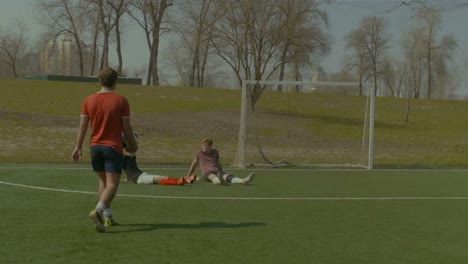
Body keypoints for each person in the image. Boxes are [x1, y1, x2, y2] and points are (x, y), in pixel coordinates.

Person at [71, 68, 138, 233]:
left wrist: (78, 147)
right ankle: (98, 211)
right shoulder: (121, 101)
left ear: (99, 81)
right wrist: (132, 145)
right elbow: (126, 127)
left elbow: (83, 126)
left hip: (95, 147)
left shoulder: (88, 100)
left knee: (103, 182)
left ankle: (108, 216)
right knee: (113, 184)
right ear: (115, 82)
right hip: (112, 147)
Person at [186, 138, 255, 185]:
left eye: (205, 145)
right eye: (202, 145)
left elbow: (218, 162)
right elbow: (194, 164)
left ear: (210, 146)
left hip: (217, 171)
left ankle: (243, 180)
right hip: (207, 173)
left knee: (227, 176)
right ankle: (220, 181)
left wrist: (221, 171)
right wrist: (188, 176)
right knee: (213, 177)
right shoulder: (199, 153)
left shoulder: (215, 151)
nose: (203, 147)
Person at [123, 149, 197, 185]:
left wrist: (128, 178)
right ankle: (178, 182)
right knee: (157, 179)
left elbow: (128, 168)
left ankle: (186, 180)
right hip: (139, 179)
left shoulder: (130, 157)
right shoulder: (122, 159)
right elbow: (126, 169)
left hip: (142, 175)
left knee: (163, 177)